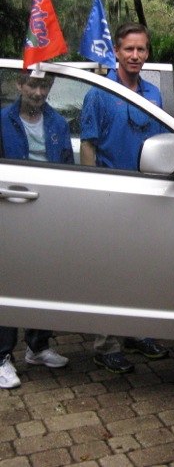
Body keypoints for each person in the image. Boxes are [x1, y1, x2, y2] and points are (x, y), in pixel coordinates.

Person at [80, 22, 169, 374]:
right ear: (116, 52)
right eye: (129, 49)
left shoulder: (154, 95)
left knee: (143, 267)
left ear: (148, 53)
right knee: (109, 270)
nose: (136, 55)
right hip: (110, 195)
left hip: (147, 196)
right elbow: (88, 145)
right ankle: (106, 343)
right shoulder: (99, 93)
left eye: (142, 49)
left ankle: (138, 332)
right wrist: (91, 193)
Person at [0, 71, 71, 388]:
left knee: (45, 279)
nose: (38, 92)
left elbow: (69, 169)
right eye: (32, 84)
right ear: (19, 84)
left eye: (44, 85)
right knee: (9, 282)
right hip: (11, 210)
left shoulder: (59, 124)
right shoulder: (3, 121)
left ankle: (38, 347)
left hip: (49, 212)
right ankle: (2, 357)